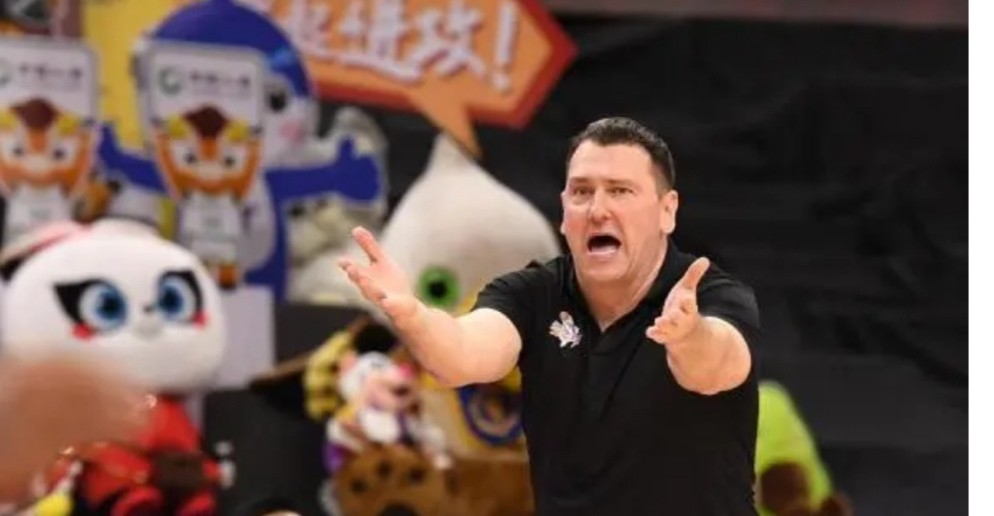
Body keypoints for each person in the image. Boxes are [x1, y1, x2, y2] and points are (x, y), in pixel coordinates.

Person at [337, 117, 761, 515]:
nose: (597, 209)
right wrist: (412, 315)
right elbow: (463, 355)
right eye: (581, 192)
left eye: (620, 191)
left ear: (667, 210)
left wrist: (688, 336)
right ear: (564, 211)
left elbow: (718, 368)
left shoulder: (708, 294)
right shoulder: (531, 294)